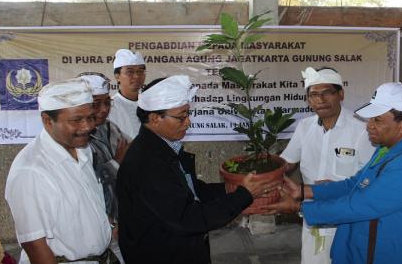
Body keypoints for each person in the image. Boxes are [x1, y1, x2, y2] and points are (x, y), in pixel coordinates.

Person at [264, 82, 402, 264]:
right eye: (370, 119)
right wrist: (304, 192)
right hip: (369, 248)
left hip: (395, 253)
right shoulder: (387, 149)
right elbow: (356, 184)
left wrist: (299, 207)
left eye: (377, 120)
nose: (369, 126)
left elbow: (360, 205)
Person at [116, 75, 280, 264]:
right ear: (154, 118)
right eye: (181, 117)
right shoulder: (147, 162)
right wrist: (243, 195)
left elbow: (191, 190)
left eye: (188, 114)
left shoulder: (163, 148)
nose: (188, 122)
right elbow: (186, 218)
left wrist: (230, 189)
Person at [5, 78, 112, 263]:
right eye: (76, 120)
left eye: (90, 117)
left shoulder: (83, 149)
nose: (88, 126)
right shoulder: (31, 171)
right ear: (47, 120)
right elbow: (35, 246)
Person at [280, 67, 375, 264]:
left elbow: (370, 178)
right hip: (311, 216)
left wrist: (335, 188)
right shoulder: (304, 127)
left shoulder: (362, 130)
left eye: (327, 93)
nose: (320, 100)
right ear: (308, 99)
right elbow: (287, 163)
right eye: (313, 94)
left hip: (346, 219)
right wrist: (262, 169)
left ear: (341, 94)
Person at [79, 73, 131, 263]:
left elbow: (131, 150)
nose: (103, 110)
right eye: (95, 103)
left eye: (107, 102)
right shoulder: (74, 137)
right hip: (95, 224)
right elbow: (85, 183)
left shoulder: (110, 128)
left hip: (117, 218)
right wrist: (117, 162)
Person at [108, 49, 146, 139]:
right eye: (130, 72)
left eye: (140, 71)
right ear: (117, 77)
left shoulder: (150, 103)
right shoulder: (110, 108)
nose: (136, 76)